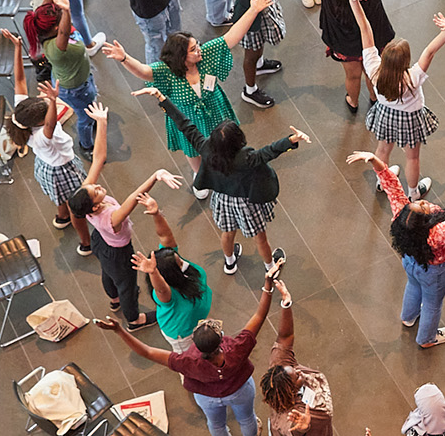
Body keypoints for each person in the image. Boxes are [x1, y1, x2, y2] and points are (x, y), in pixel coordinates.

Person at [95, 266, 285, 436]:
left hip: (207, 398)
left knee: (216, 424)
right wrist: (267, 285)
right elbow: (260, 315)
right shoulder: (237, 348)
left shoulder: (186, 361)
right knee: (247, 418)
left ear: (196, 344)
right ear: (220, 342)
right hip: (240, 390)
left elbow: (148, 352)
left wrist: (119, 331)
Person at [101, 0, 276, 185]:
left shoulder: (207, 54)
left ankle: (230, 161)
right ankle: (199, 174)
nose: (199, 49)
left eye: (197, 45)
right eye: (193, 50)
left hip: (215, 109)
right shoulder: (166, 71)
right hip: (188, 117)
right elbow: (143, 71)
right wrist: (124, 58)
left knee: (225, 140)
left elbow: (231, 37)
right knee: (192, 149)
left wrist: (253, 10)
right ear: (180, 57)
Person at [133, 84, 307, 274]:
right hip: (246, 202)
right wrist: (291, 139)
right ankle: (270, 267)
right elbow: (270, 152)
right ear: (238, 140)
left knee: (227, 233)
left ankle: (230, 262)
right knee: (260, 238)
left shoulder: (205, 148)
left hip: (222, 200)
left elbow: (185, 125)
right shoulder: (246, 157)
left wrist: (161, 97)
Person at [347, 151, 445, 349]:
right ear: (426, 222)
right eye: (424, 208)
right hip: (435, 272)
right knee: (432, 304)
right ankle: (427, 339)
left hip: (410, 262)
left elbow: (391, 185)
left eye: (419, 203)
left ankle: (408, 317)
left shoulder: (402, 214)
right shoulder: (435, 233)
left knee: (413, 285)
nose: (424, 203)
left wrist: (374, 160)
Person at [275, 0, 406, 114]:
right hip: (373, 45)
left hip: (345, 48)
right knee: (372, 73)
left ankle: (353, 102)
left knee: (352, 76)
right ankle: (375, 99)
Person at [0, 27, 93, 254]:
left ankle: (61, 217)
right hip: (64, 169)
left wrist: (18, 48)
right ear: (39, 122)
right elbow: (50, 125)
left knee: (61, 199)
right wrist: (52, 101)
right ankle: (85, 243)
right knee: (76, 206)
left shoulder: (22, 115)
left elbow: (19, 79)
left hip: (46, 167)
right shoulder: (41, 136)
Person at [353, 0, 445, 200]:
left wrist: (353, 1)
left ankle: (383, 182)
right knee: (412, 158)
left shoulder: (373, 69)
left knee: (382, 150)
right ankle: (413, 193)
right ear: (405, 61)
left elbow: (365, 29)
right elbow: (430, 51)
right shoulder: (412, 78)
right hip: (410, 119)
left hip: (385, 115)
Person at [67, 154, 182, 332]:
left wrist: (102, 125)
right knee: (127, 285)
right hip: (119, 253)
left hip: (99, 242)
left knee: (107, 272)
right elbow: (134, 197)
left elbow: (98, 158)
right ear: (95, 207)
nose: (97, 186)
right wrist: (155, 176)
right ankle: (134, 320)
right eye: (96, 192)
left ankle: (114, 299)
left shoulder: (85, 202)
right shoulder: (112, 219)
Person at [257, 277, 337, 436]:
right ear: (291, 391)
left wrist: (286, 304)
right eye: (297, 378)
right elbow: (296, 433)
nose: (300, 373)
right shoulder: (291, 417)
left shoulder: (279, 368)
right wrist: (303, 428)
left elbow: (284, 338)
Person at [131, 201, 213, 353]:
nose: (183, 261)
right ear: (171, 274)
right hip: (182, 334)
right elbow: (161, 289)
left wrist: (157, 215)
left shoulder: (173, 262)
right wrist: (153, 272)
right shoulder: (168, 295)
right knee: (188, 360)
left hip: (194, 322)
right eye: (179, 262)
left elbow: (165, 236)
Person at [28, 0, 99, 153]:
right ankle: (87, 145)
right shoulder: (57, 48)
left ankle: (92, 117)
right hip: (76, 88)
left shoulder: (47, 30)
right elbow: (65, 32)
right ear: (56, 29)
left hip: (77, 78)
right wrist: (66, 11)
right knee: (85, 118)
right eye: (61, 19)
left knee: (88, 107)